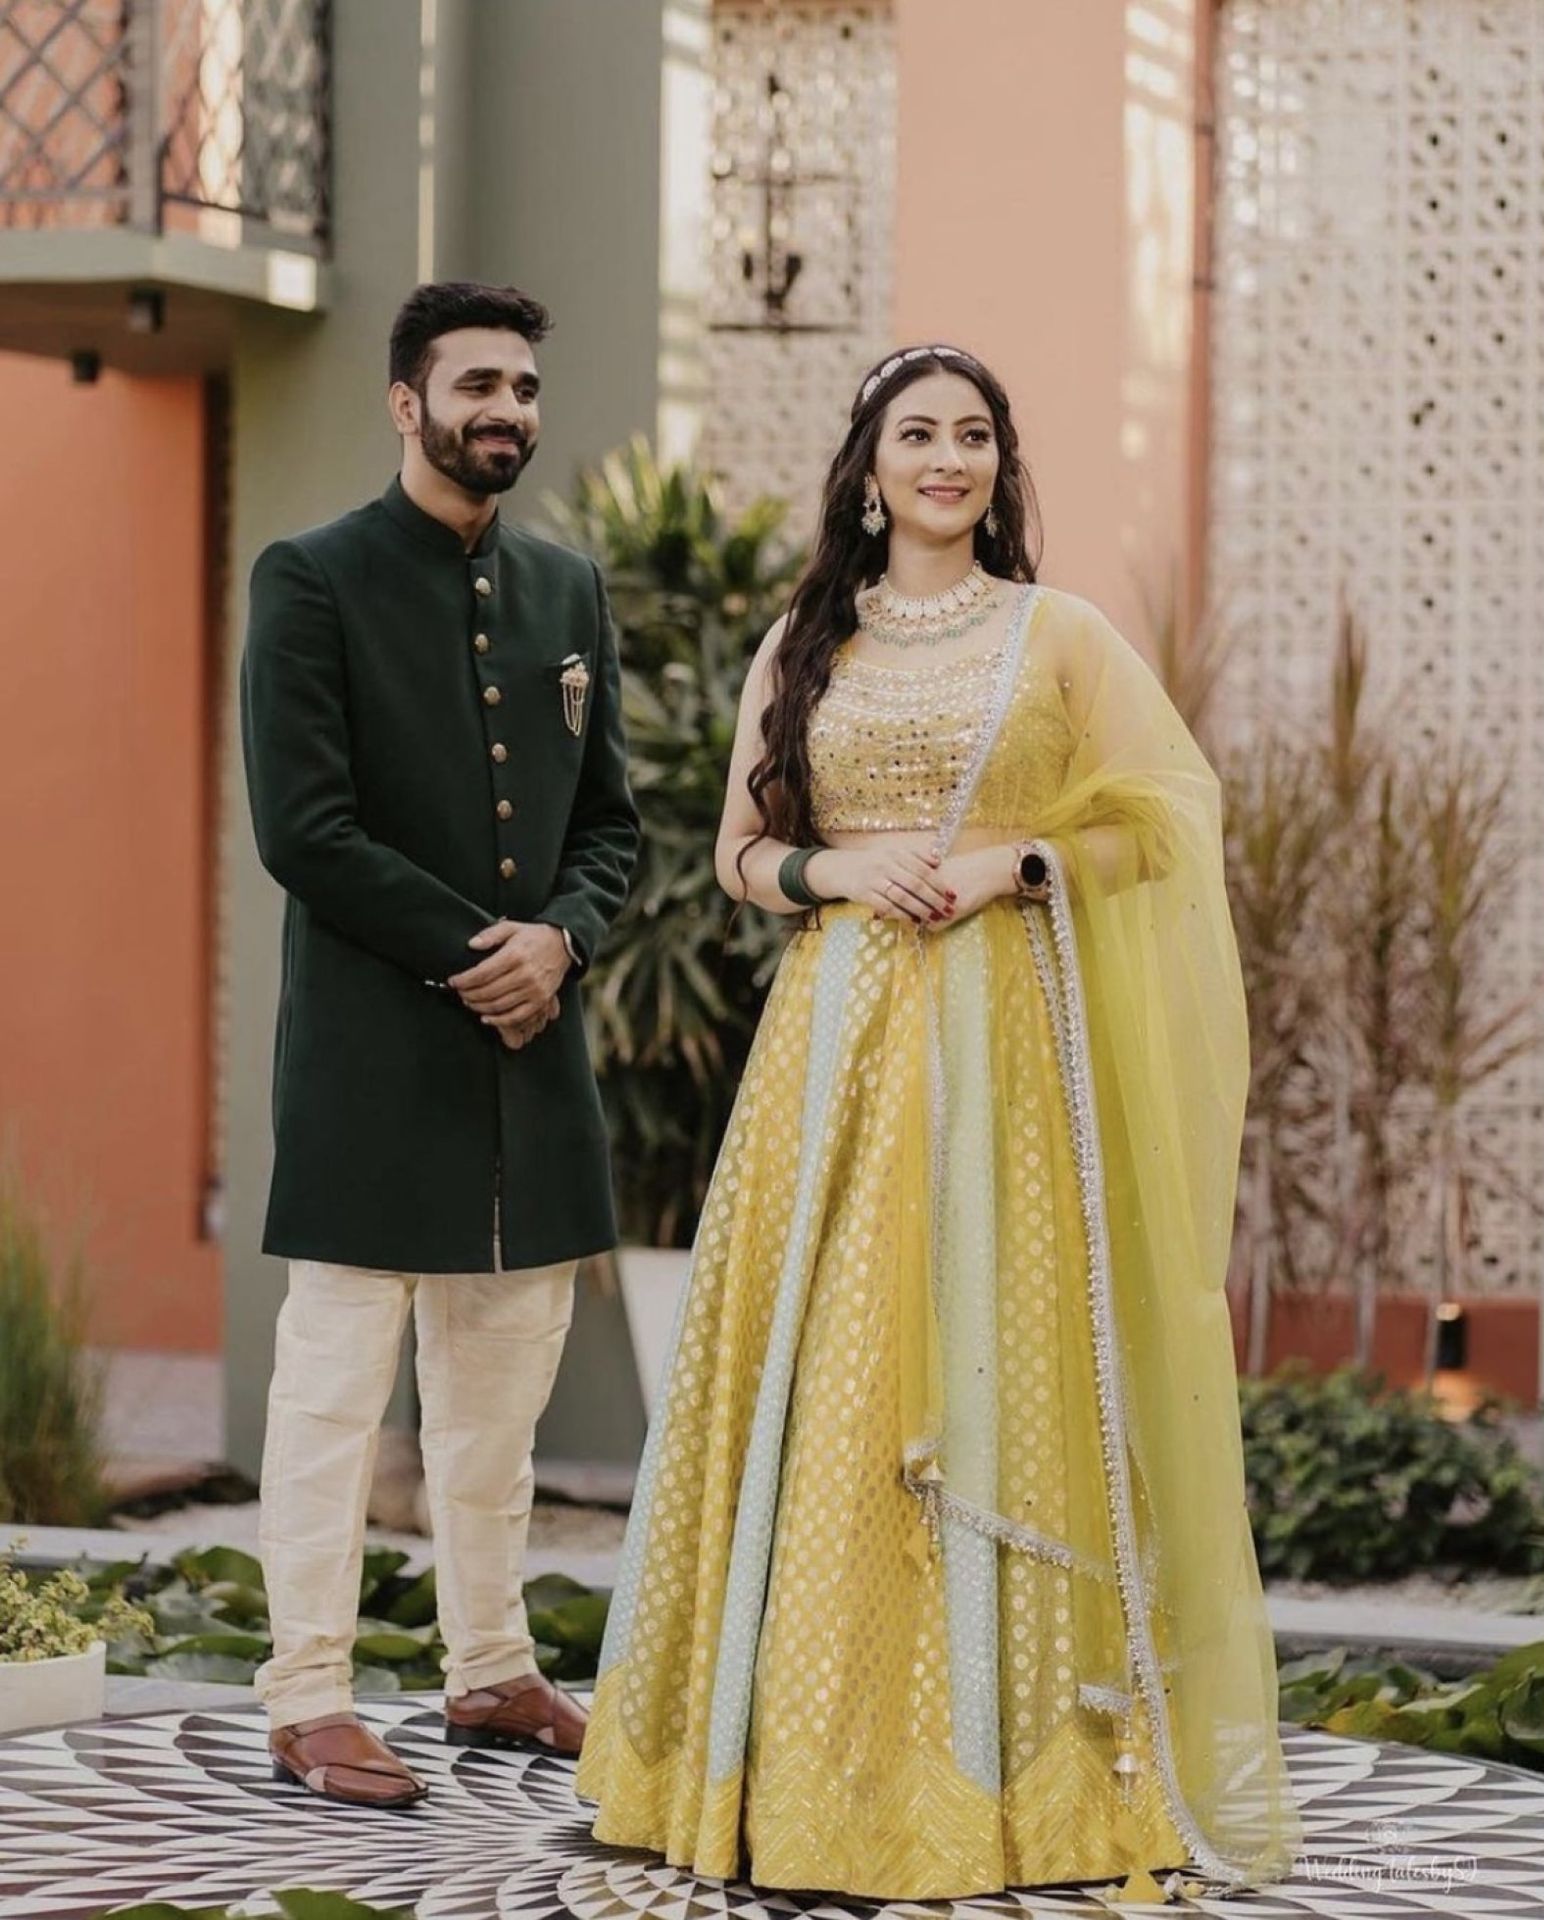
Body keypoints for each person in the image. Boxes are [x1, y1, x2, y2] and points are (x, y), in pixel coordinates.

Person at [576, 344, 1301, 1901]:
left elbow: (1167, 818)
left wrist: (1011, 867)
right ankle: (803, 1770)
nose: (948, 458)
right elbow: (741, 855)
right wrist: (837, 871)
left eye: (975, 435)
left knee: (1002, 1365)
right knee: (835, 1373)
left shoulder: (1059, 633)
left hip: (1011, 1055)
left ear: (999, 467)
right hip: (837, 1049)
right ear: (869, 467)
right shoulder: (805, 644)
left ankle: (1019, 1779)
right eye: (919, 433)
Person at [240, 281, 639, 1808]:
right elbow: (305, 829)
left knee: (499, 1406)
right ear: (407, 402)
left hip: (531, 1070)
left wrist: (564, 940)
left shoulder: (567, 590)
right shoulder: (313, 578)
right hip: (370, 1067)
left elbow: (608, 827)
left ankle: (490, 1668)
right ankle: (307, 1693)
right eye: (478, 385)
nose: (507, 411)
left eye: (523, 388)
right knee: (334, 1402)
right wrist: (491, 953)